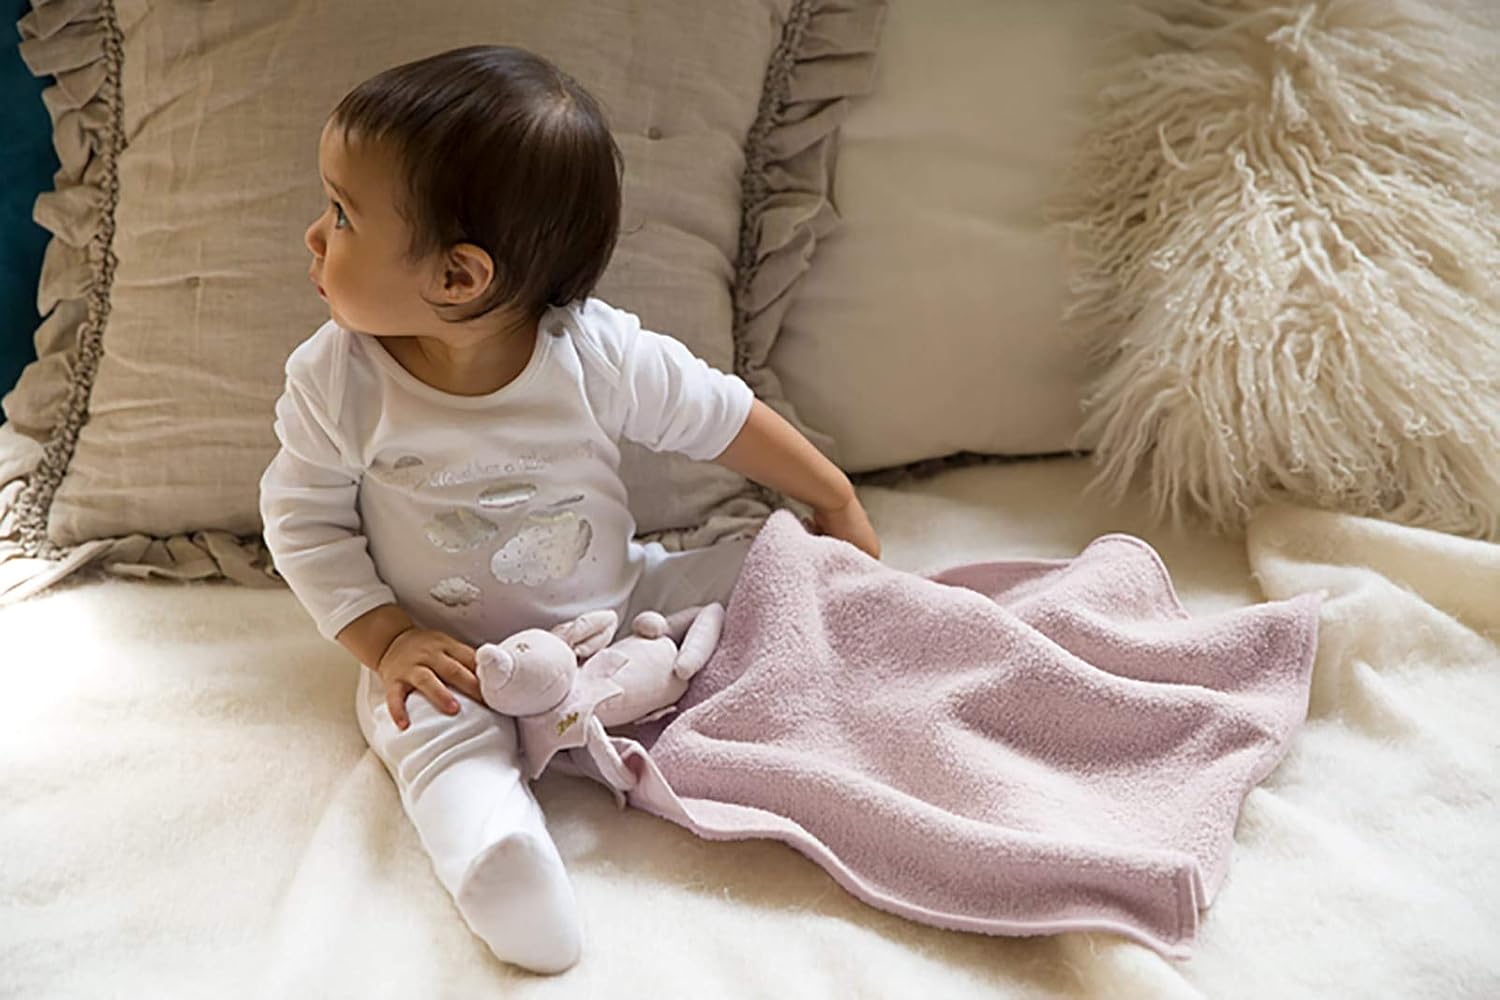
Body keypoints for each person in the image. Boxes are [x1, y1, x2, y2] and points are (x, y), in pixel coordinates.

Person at [258, 45, 879, 974]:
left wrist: (833, 501)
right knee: (431, 738)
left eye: (341, 215)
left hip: (619, 602)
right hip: (447, 655)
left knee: (779, 564)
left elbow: (722, 417)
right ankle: (502, 861)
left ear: (459, 278)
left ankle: (860, 642)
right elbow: (304, 521)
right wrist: (386, 641)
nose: (314, 235)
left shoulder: (593, 355)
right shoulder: (338, 381)